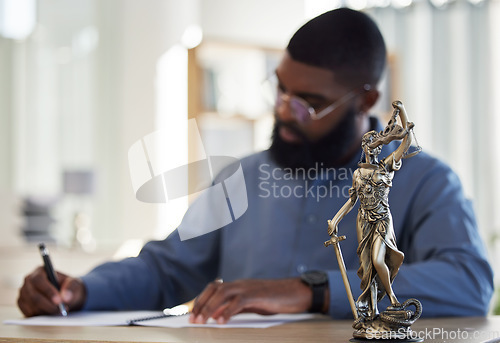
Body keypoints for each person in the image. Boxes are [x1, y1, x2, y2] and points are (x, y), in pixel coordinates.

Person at [18, 8, 493, 324]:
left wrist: (311, 290)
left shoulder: (424, 182)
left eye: (309, 102)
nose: (285, 111)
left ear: (366, 99)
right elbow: (166, 269)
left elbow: (469, 282)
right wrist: (81, 290)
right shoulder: (240, 178)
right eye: (281, 90)